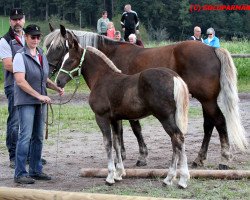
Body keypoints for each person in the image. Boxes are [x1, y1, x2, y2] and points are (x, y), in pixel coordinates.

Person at [13, 24, 64, 184]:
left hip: (39, 102)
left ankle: (35, 170)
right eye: (32, 37)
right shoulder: (20, 56)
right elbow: (20, 81)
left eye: (37, 37)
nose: (35, 39)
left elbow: (43, 77)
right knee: (25, 137)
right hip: (26, 102)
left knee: (38, 137)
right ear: (26, 37)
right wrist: (39, 96)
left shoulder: (41, 54)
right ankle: (20, 173)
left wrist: (55, 87)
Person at [0, 8, 25, 169]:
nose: (17, 22)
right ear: (10, 21)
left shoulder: (29, 37)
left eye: (19, 19)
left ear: (24, 20)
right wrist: (28, 69)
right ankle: (13, 155)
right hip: (14, 85)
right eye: (14, 19)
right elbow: (8, 64)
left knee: (28, 122)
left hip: (30, 86)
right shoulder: (5, 40)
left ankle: (27, 154)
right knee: (15, 122)